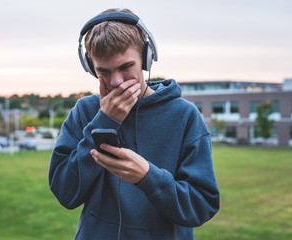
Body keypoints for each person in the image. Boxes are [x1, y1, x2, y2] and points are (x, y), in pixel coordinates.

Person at [48, 8, 219, 240]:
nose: (116, 81)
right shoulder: (85, 111)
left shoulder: (184, 116)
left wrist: (148, 177)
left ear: (146, 58)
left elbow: (202, 206)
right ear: (91, 67)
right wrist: (105, 120)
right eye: (104, 71)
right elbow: (65, 193)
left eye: (125, 67)